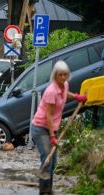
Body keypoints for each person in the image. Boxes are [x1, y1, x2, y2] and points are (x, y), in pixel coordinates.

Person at [31, 60, 87, 195]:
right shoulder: (51, 91)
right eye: (60, 75)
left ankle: (48, 189)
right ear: (55, 75)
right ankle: (44, 191)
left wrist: (77, 97)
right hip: (40, 128)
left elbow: (66, 93)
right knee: (47, 159)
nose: (62, 77)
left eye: (65, 74)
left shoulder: (65, 85)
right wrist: (52, 136)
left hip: (50, 129)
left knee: (53, 161)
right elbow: (49, 116)